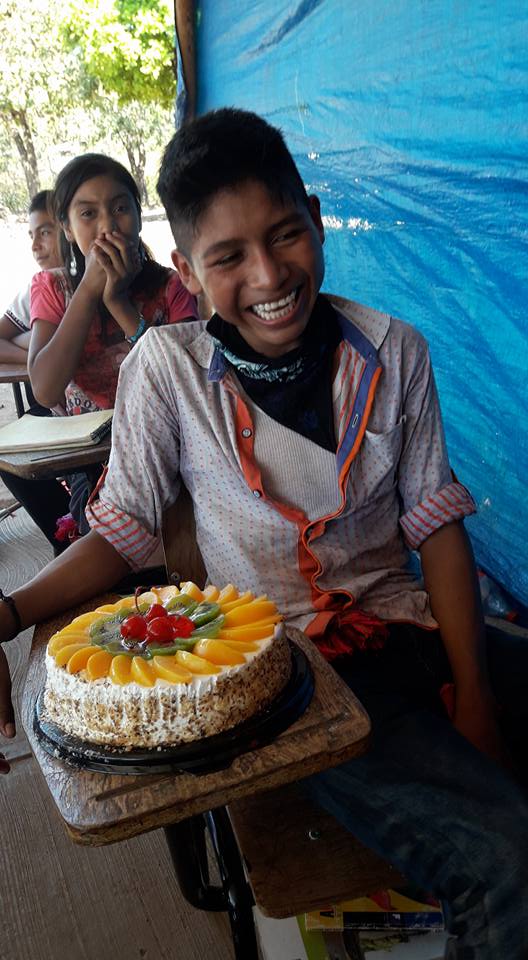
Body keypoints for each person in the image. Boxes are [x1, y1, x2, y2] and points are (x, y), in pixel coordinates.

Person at [0, 109, 526, 959]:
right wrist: (11, 610)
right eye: (228, 258)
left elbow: (435, 527)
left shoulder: (395, 352)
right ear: (188, 271)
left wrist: (476, 697)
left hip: (410, 626)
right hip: (289, 681)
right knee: (503, 857)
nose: (269, 274)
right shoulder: (164, 372)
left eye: (286, 236)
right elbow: (126, 533)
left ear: (316, 221)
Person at [1, 153, 198, 551]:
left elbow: (185, 385)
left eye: (121, 208)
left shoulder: (171, 288)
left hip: (173, 447)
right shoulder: (53, 289)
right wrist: (90, 291)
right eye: (88, 214)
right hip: (92, 463)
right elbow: (45, 389)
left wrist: (121, 304)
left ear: (139, 216)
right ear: (68, 230)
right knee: (101, 531)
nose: (107, 225)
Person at [0, 189, 61, 383]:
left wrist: (28, 340)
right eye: (31, 236)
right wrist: (35, 360)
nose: (34, 245)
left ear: (69, 229)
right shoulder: (36, 291)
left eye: (44, 233)